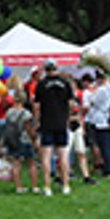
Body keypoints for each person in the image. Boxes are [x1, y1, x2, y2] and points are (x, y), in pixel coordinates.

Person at [33, 58, 73, 196]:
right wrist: (67, 118)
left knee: (46, 156)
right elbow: (71, 104)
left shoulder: (41, 84)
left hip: (46, 122)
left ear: (45, 69)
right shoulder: (65, 83)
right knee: (63, 155)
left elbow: (37, 106)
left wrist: (36, 122)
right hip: (61, 123)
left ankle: (47, 186)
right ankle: (66, 185)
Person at [2, 90, 38, 194]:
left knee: (16, 163)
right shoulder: (26, 113)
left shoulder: (9, 112)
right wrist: (34, 139)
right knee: (31, 163)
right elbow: (28, 128)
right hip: (25, 139)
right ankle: (34, 186)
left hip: (13, 139)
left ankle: (18, 186)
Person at [90, 72, 110, 177]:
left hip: (102, 120)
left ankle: (109, 169)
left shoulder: (102, 90)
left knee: (105, 146)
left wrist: (93, 91)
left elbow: (94, 101)